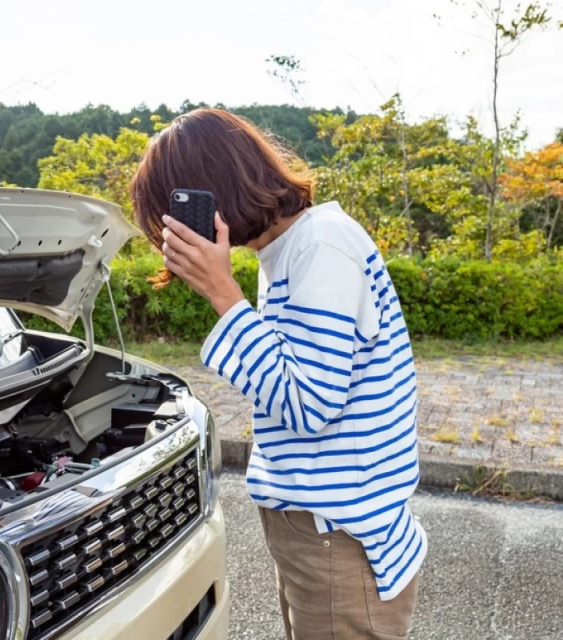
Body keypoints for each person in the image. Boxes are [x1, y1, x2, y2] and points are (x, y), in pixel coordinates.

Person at [130, 108, 425, 639]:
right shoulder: (288, 250)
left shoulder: (321, 246)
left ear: (212, 189)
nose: (173, 231)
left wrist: (224, 295)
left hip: (339, 536)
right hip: (317, 528)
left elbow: (310, 404)